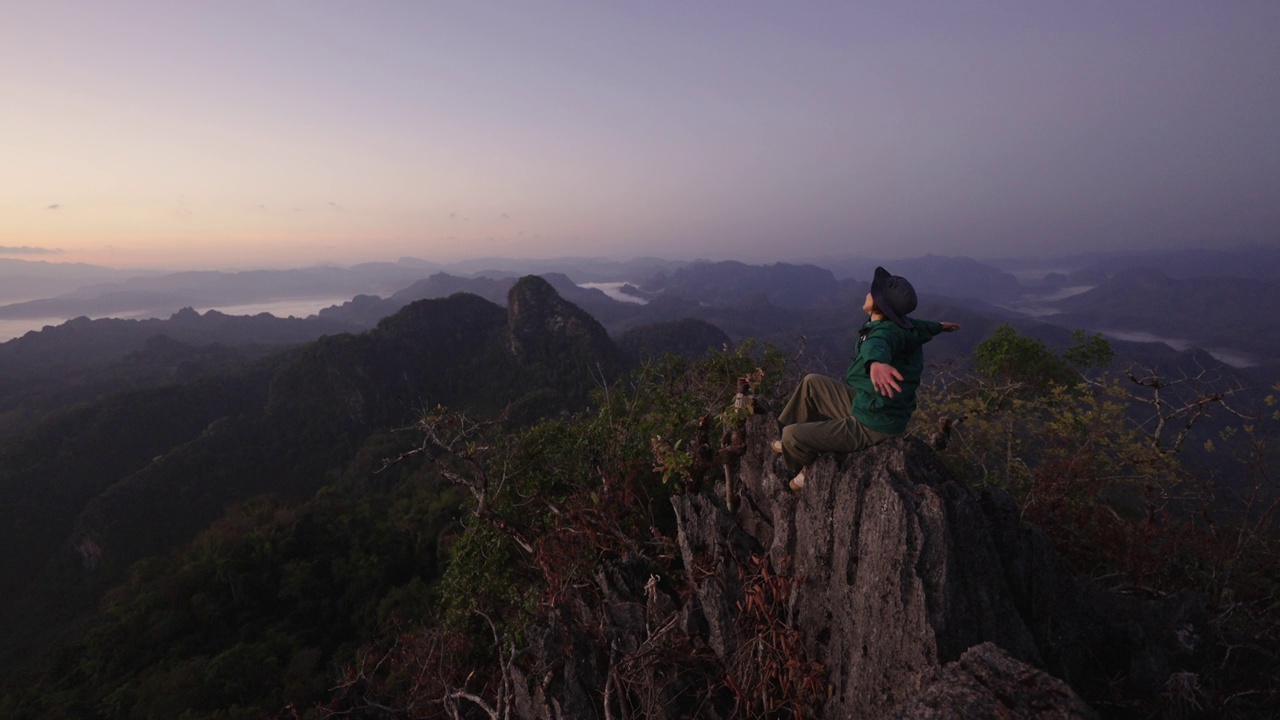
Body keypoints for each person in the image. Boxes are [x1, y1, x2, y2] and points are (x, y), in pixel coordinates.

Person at [773, 266, 960, 490]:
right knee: (811, 383)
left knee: (791, 435)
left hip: (874, 423)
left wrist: (877, 363)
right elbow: (916, 326)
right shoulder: (901, 326)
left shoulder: (883, 333)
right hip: (869, 404)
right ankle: (791, 442)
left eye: (873, 292)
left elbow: (877, 345)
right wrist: (938, 327)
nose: (867, 293)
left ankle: (807, 466)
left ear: (880, 304)